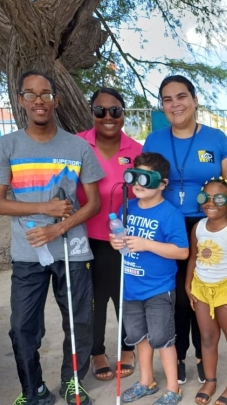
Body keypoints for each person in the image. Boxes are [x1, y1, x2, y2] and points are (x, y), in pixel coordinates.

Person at [0, 71, 105, 405]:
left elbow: (93, 203)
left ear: (57, 100)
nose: (39, 100)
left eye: (46, 94)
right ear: (21, 100)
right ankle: (33, 390)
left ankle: (72, 381)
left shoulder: (78, 147)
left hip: (73, 249)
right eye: (31, 94)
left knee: (78, 320)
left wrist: (59, 225)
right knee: (22, 326)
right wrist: (45, 211)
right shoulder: (7, 146)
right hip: (27, 252)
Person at [143, 75, 227, 386]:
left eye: (181, 96)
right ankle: (178, 354)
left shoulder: (216, 139)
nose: (175, 104)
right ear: (162, 106)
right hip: (166, 226)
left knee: (201, 292)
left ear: (195, 100)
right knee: (172, 295)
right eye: (167, 99)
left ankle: (202, 354)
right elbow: (144, 182)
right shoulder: (154, 140)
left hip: (205, 226)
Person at [114, 152, 189, 405]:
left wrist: (147, 244)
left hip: (158, 289)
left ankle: (172, 388)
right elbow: (118, 238)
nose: (138, 183)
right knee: (138, 337)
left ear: (162, 184)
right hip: (130, 287)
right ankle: (146, 381)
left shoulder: (170, 214)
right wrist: (117, 242)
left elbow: (182, 251)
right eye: (134, 176)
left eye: (146, 178)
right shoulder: (126, 208)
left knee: (162, 339)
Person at [77, 87, 143, 381]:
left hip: (125, 240)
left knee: (125, 297)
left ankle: (128, 347)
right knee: (95, 299)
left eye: (115, 110)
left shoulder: (136, 150)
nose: (108, 116)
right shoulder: (77, 145)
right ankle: (97, 351)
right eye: (100, 111)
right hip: (87, 238)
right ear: (92, 113)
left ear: (123, 114)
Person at [186, 177, 227, 405]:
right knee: (207, 338)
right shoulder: (198, 227)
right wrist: (188, 285)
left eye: (219, 198)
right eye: (206, 197)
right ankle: (210, 381)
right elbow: (193, 258)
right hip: (202, 289)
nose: (211, 203)